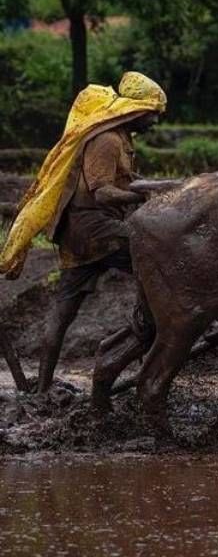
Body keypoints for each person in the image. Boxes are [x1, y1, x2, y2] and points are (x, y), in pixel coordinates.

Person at [0, 72, 168, 392]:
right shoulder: (106, 139)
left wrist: (152, 187)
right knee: (159, 260)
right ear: (136, 110)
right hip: (94, 228)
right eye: (153, 114)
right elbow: (103, 192)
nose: (156, 122)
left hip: (83, 231)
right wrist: (145, 194)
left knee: (64, 309)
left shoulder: (121, 137)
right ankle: (148, 334)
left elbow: (124, 181)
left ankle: (41, 389)